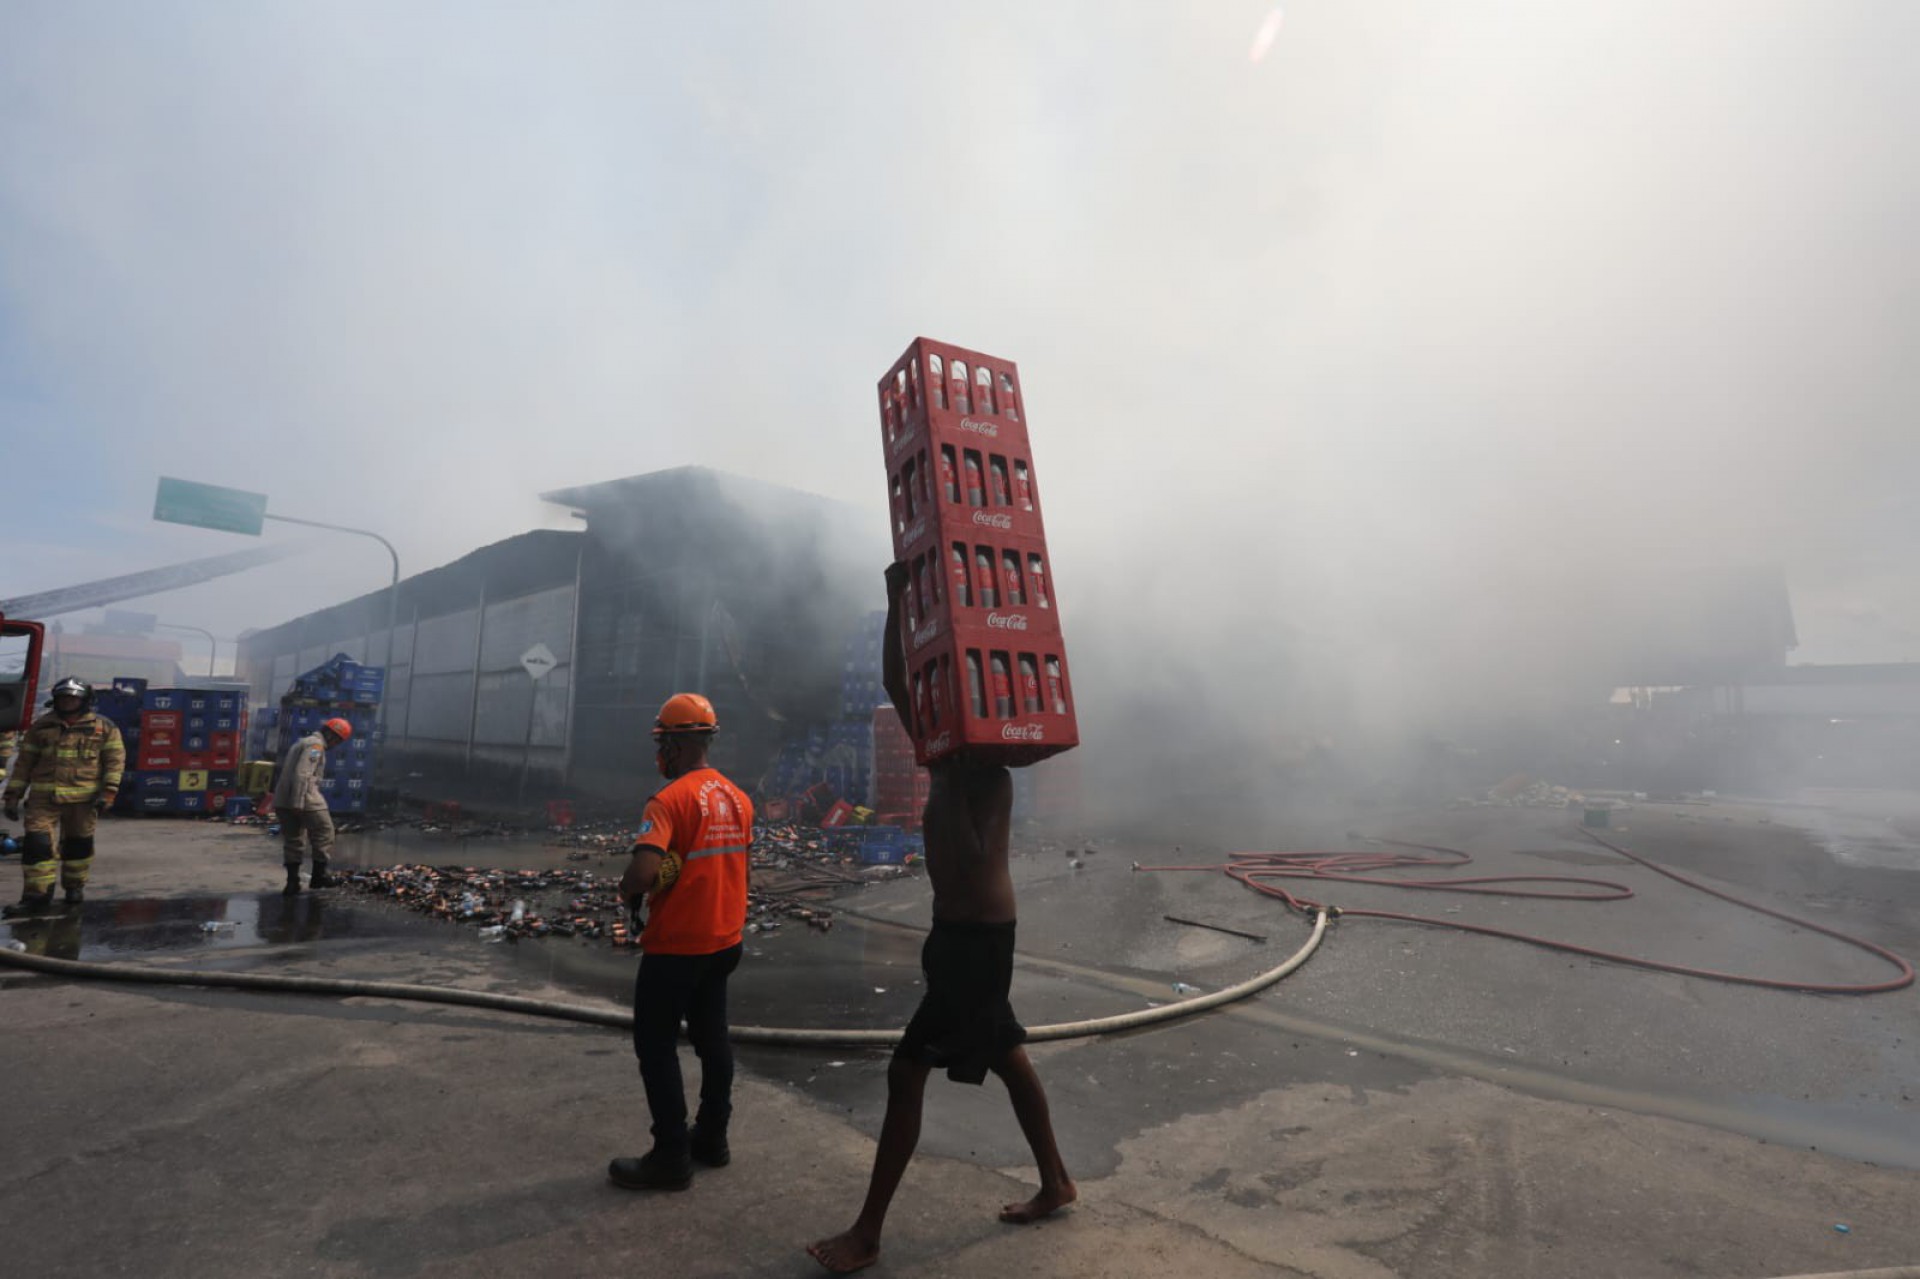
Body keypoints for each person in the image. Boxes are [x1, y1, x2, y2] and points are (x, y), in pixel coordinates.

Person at [808, 564, 1074, 1274]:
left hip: (978, 941)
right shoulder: (947, 753)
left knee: (907, 1069)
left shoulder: (985, 771)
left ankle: (867, 1233)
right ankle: (1056, 1179)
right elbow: (900, 685)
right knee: (1007, 1052)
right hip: (958, 937)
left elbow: (974, 854)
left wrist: (950, 777)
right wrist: (896, 598)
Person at [608, 692, 754, 1192]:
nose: (660, 753)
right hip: (724, 940)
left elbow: (646, 870)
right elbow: (711, 863)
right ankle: (712, 1139)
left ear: (674, 742)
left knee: (655, 1043)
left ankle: (671, 1154)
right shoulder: (739, 797)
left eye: (662, 742)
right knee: (713, 1040)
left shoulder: (667, 800)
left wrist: (630, 886)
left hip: (677, 947)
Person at [2, 677, 125, 916]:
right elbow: (24, 764)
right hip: (43, 799)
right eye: (63, 698)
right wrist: (12, 796)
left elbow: (114, 762)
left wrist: (109, 792)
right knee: (37, 847)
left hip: (84, 801)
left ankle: (74, 888)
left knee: (78, 847)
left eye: (73, 698)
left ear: (84, 701)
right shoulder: (42, 727)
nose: (67, 702)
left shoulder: (103, 728)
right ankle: (36, 898)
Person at [272, 716, 351, 895]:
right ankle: (319, 876)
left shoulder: (303, 742)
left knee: (294, 840)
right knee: (325, 831)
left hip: (283, 800)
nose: (337, 744)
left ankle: (292, 883)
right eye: (338, 740)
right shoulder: (315, 746)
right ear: (332, 735)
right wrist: (298, 803)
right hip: (304, 797)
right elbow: (303, 774)